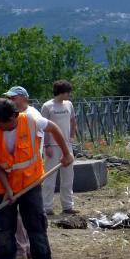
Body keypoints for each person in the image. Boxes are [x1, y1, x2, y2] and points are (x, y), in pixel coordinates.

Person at [0, 97, 74, 259]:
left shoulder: (32, 121)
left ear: (14, 116)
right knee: (4, 231)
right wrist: (8, 190)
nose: (2, 127)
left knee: (36, 229)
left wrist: (66, 153)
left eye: (5, 122)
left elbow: (54, 128)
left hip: (30, 184)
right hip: (4, 189)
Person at [4, 85, 43, 258]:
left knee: (28, 214)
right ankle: (24, 247)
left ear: (23, 98)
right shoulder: (13, 116)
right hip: (16, 172)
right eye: (9, 98)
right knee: (18, 213)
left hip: (29, 173)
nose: (10, 100)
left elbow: (37, 142)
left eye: (13, 98)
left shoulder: (32, 116)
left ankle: (25, 249)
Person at [40, 79, 78, 215]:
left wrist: (72, 135)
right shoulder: (47, 106)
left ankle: (67, 206)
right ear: (61, 92)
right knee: (50, 177)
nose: (69, 95)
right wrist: (47, 145)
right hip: (52, 146)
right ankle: (47, 207)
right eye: (67, 92)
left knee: (68, 177)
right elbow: (43, 127)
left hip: (66, 145)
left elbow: (73, 120)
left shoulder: (69, 104)